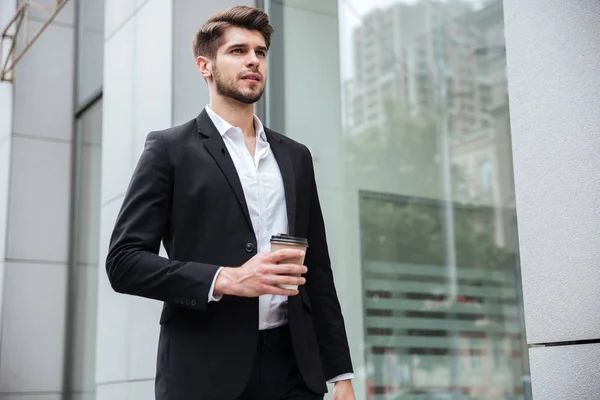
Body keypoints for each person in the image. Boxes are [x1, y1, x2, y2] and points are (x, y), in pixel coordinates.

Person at [106, 5, 355, 400]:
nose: (253, 60)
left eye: (260, 51)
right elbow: (123, 263)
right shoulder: (169, 150)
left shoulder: (295, 156)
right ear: (205, 66)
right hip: (204, 369)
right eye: (238, 51)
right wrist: (226, 279)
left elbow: (318, 271)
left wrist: (340, 373)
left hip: (295, 370)